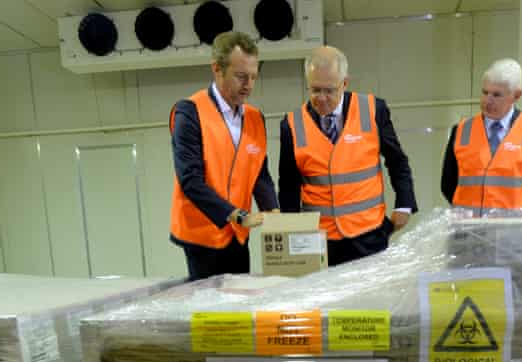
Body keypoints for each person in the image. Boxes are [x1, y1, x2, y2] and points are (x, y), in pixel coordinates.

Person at [278, 46, 418, 266]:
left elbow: (397, 161)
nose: (322, 98)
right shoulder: (291, 125)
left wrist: (404, 203)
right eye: (315, 90)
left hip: (369, 234)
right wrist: (291, 234)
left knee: (372, 300)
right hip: (320, 241)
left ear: (344, 83)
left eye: (329, 90)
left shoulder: (373, 109)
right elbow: (288, 186)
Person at [169, 31, 279, 280]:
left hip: (238, 236)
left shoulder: (254, 117)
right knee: (212, 315)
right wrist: (237, 215)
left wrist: (273, 212)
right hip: (202, 237)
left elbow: (259, 173)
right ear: (217, 69)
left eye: (253, 77)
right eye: (241, 77)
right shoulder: (190, 112)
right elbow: (190, 180)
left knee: (240, 309)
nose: (248, 85)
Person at [441, 58, 522, 212]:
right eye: (485, 92)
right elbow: (448, 184)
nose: (488, 100)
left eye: (496, 95)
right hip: (467, 229)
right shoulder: (461, 130)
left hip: (514, 231)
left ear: (517, 95)